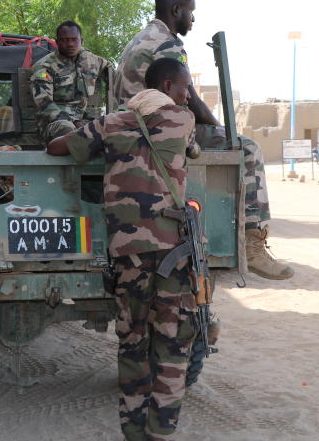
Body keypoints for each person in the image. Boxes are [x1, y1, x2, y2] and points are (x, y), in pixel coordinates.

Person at [47, 58, 198, 441]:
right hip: (172, 257)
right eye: (184, 87)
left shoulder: (112, 122)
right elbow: (192, 148)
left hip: (127, 258)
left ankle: (132, 432)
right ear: (167, 85)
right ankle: (160, 431)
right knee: (174, 345)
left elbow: (60, 147)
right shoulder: (183, 120)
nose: (187, 94)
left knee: (132, 344)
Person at [113, 0, 294, 280]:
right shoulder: (167, 43)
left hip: (136, 126)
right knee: (247, 149)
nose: (193, 20)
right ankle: (253, 245)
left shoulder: (140, 39)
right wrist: (223, 132)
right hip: (158, 129)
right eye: (190, 13)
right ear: (176, 11)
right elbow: (190, 99)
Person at [30, 20, 110, 143]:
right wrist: (74, 122)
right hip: (55, 124)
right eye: (65, 40)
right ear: (57, 42)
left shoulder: (90, 61)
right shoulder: (45, 67)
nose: (70, 44)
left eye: (74, 40)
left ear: (81, 41)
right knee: (69, 129)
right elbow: (44, 104)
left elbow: (112, 73)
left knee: (115, 128)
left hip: (85, 121)